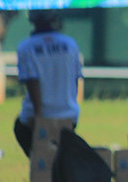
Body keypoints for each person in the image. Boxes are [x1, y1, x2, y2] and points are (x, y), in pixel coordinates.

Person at [13, 10, 83, 157]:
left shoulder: (26, 47)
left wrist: (40, 118)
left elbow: (32, 82)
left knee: (21, 131)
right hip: (69, 115)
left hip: (38, 116)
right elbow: (75, 80)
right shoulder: (70, 44)